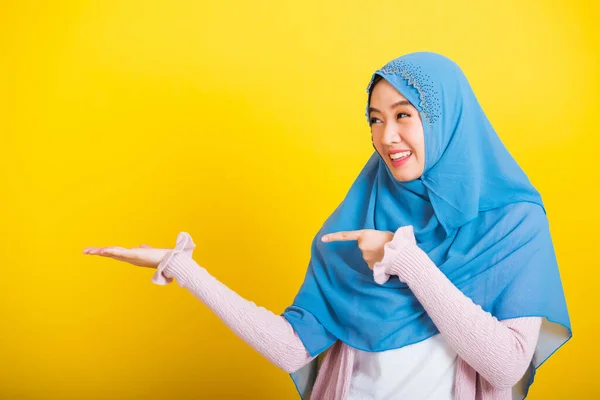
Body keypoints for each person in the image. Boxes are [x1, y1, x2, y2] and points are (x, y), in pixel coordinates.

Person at [83, 52, 572, 399]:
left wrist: (408, 262)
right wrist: (183, 269)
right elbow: (291, 347)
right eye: (375, 119)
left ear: (448, 121)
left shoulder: (514, 223)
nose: (387, 136)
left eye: (405, 115)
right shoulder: (356, 224)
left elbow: (505, 366)